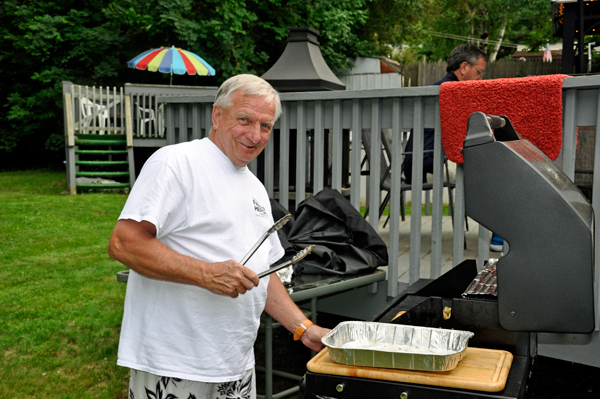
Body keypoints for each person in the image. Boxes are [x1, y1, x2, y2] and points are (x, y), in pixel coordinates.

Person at [108, 74, 330, 399]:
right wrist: (207, 274)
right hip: (175, 363)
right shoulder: (176, 163)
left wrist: (303, 328)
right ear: (217, 115)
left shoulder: (254, 187)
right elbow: (124, 242)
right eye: (244, 119)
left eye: (265, 126)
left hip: (236, 366)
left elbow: (263, 275)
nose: (254, 135)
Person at [402, 44, 487, 184]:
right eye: (479, 72)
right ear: (464, 67)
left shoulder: (439, 88)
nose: (481, 79)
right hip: (427, 167)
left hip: (417, 165)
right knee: (483, 172)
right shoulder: (451, 92)